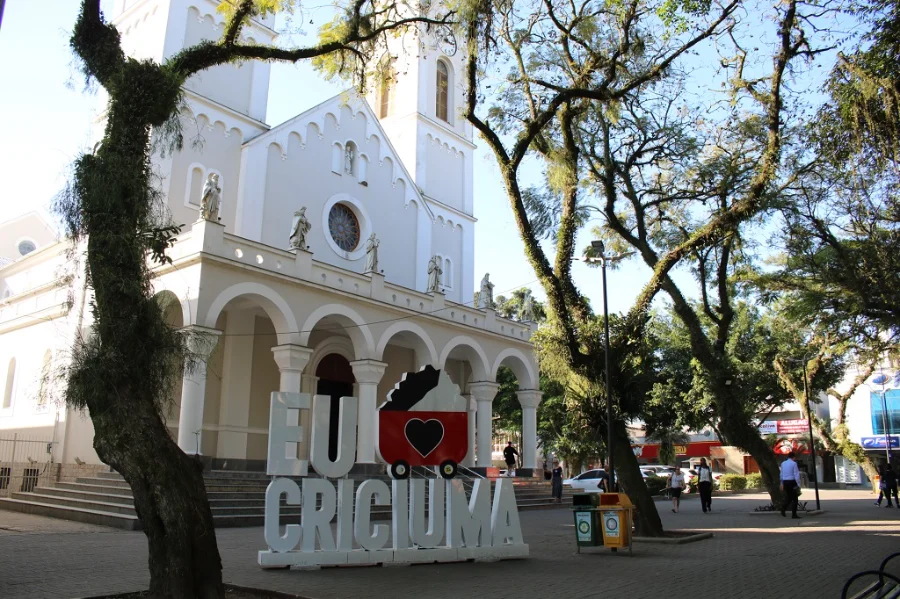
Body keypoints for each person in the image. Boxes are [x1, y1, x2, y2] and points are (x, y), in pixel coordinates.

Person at [780, 451, 802, 519]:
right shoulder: (794, 463)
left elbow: (781, 474)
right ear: (793, 457)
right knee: (795, 499)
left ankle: (783, 508)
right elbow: (796, 474)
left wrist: (781, 483)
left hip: (785, 482)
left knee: (789, 497)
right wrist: (798, 484)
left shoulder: (783, 463)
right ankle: (794, 514)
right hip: (792, 482)